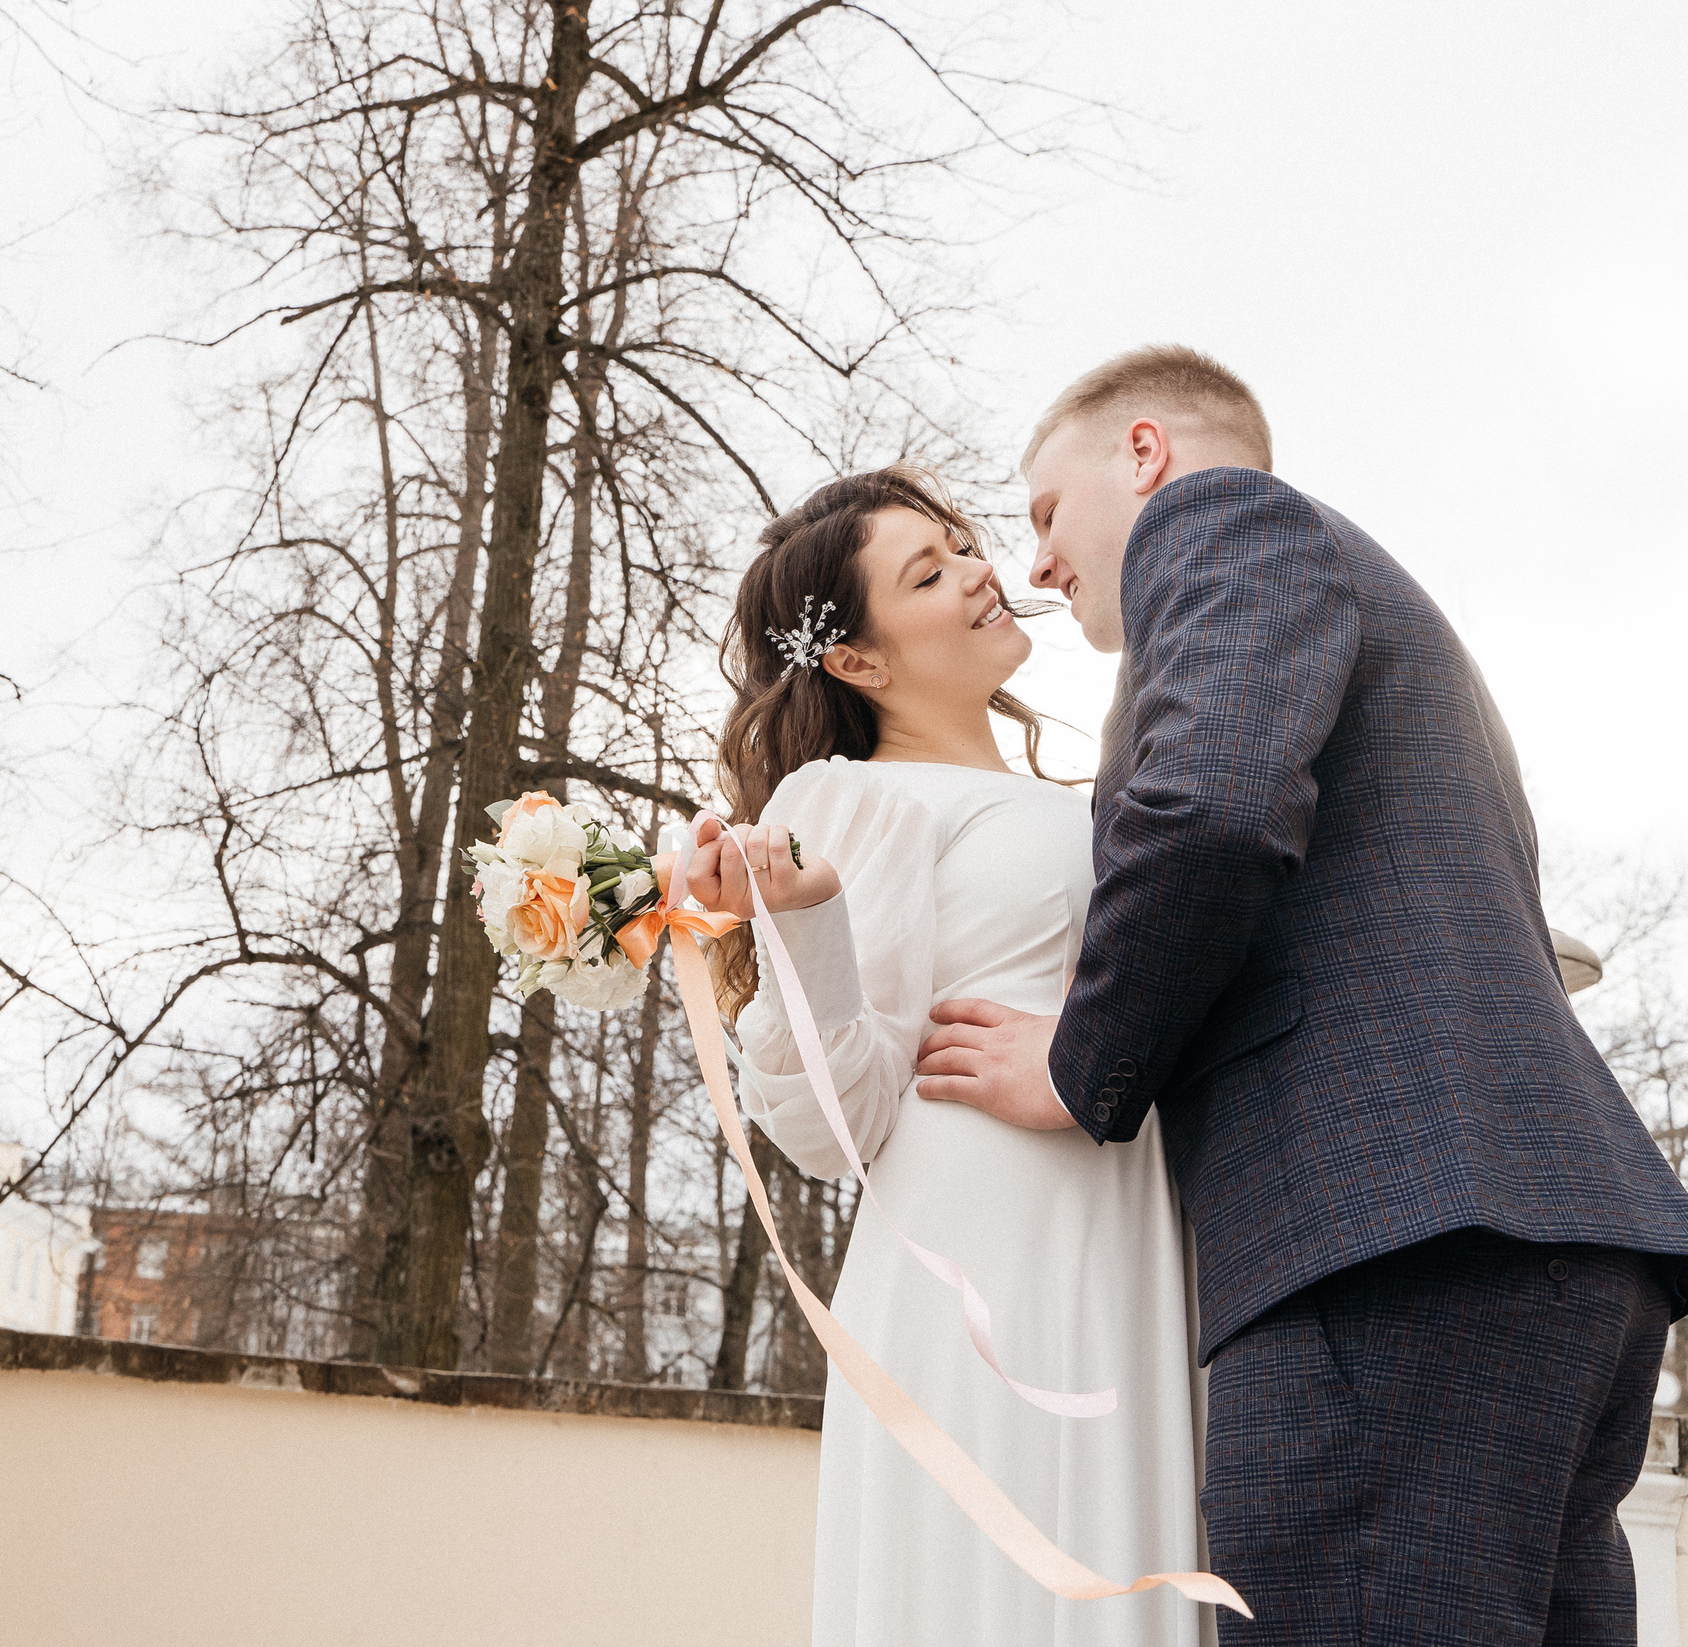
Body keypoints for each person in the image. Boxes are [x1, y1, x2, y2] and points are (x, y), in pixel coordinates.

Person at [913, 345, 1688, 1645]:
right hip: (1549, 1248)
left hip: (1386, 1251)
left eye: (1046, 511)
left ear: (1146, 455)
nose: (1037, 562)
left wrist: (1080, 1061)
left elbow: (1208, 808)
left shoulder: (1223, 521)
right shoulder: (1383, 614)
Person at [684, 466, 1208, 1647]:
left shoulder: (1070, 796)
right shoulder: (852, 799)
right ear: (859, 664)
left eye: (962, 544)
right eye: (928, 572)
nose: (980, 570)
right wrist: (806, 923)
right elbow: (832, 1126)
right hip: (991, 1249)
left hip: (1117, 1210)